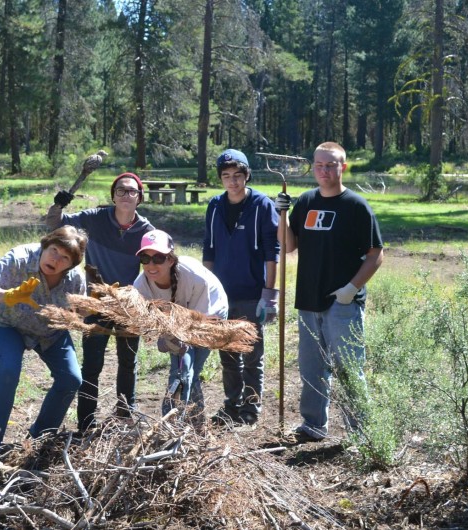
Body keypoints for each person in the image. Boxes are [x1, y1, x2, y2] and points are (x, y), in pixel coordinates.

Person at [276, 142, 384, 442]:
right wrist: (281, 215)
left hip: (342, 303)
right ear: (313, 167)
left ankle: (361, 433)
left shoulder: (356, 206)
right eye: (319, 165)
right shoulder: (307, 202)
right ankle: (313, 425)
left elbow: (376, 253)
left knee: (349, 369)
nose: (324, 170)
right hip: (308, 300)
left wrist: (351, 289)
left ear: (343, 167)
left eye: (331, 165)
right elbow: (288, 245)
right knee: (312, 368)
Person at [46, 173, 154, 431]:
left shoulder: (146, 231)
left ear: (139, 197)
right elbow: (55, 226)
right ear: (113, 195)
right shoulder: (94, 219)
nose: (126, 195)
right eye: (120, 190)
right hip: (95, 302)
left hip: (128, 305)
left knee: (128, 361)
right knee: (92, 364)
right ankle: (86, 422)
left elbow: (155, 267)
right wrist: (58, 205)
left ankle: (125, 416)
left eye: (131, 192)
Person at [0, 226, 88, 453]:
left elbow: (78, 313)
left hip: (48, 331)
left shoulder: (74, 279)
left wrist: (99, 305)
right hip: (7, 322)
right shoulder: (20, 258)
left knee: (71, 379)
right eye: (54, 250)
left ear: (72, 264)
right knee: (9, 369)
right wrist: (9, 295)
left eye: (65, 258)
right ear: (45, 245)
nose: (56, 259)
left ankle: (37, 441)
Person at [202, 149, 280, 428]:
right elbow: (208, 250)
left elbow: (273, 252)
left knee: (251, 356)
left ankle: (251, 407)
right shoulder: (215, 206)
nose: (232, 181)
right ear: (221, 179)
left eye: (238, 175)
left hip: (252, 293)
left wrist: (270, 294)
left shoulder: (261, 205)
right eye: (226, 176)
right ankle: (231, 403)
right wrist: (205, 291)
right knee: (227, 355)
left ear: (247, 175)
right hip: (222, 295)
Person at [133, 230, 229, 420]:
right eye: (145, 258)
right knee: (180, 371)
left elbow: (200, 319)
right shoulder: (140, 287)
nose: (151, 265)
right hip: (174, 325)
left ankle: (185, 423)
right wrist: (164, 337)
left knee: (189, 369)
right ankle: (182, 423)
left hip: (209, 315)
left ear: (170, 259)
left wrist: (182, 339)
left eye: (158, 258)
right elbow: (147, 325)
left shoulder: (194, 277)